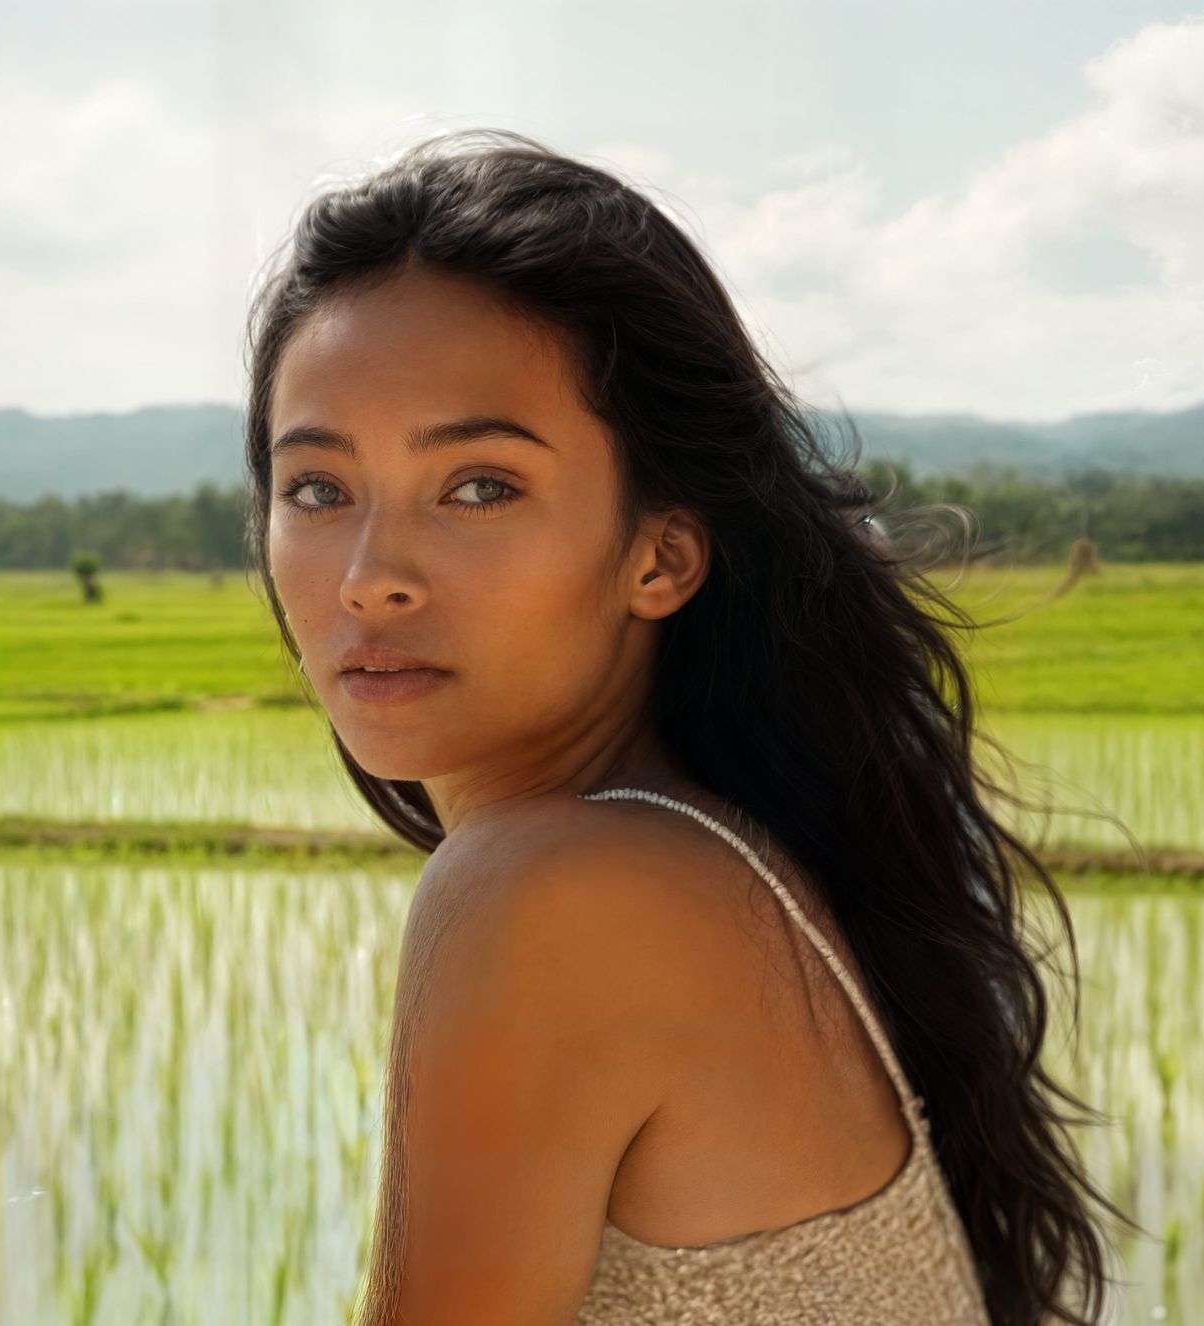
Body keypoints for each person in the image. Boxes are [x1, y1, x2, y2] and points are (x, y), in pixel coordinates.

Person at [243, 128, 1136, 1326]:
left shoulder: (553, 889)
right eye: (317, 490)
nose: (368, 577)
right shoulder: (705, 852)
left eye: (480, 487)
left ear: (659, 554)